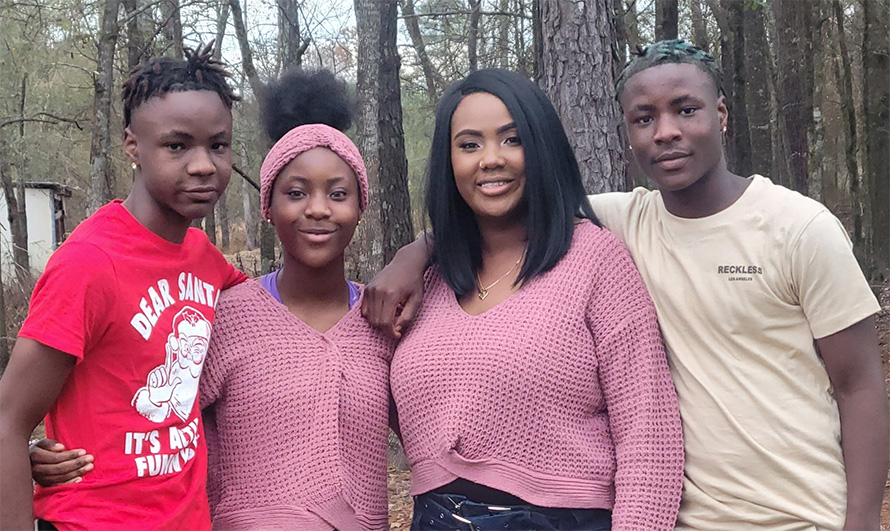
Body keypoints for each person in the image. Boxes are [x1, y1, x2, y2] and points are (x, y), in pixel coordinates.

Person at [364, 41, 889, 530]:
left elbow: (860, 385)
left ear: (722, 114)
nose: (665, 131)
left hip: (796, 514)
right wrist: (418, 252)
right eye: (644, 118)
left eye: (686, 109)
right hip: (687, 517)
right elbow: (508, 199)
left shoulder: (798, 229)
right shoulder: (625, 219)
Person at [30, 69, 395, 530]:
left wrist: (415, 255)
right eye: (296, 193)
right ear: (269, 207)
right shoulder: (104, 267)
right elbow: (39, 409)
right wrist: (30, 449)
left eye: (338, 193)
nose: (318, 209)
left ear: (361, 205)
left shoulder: (212, 270)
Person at [387, 68, 683, 530]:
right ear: (449, 163)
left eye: (511, 139)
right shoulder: (429, 277)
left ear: (541, 147)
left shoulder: (594, 260)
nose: (490, 159)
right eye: (469, 145)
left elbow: (650, 436)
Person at [0, 44, 247, 530]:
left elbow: (282, 304)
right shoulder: (89, 263)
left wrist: (415, 257)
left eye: (218, 146)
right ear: (133, 145)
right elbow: (8, 420)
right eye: (177, 146)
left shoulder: (205, 259)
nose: (203, 165)